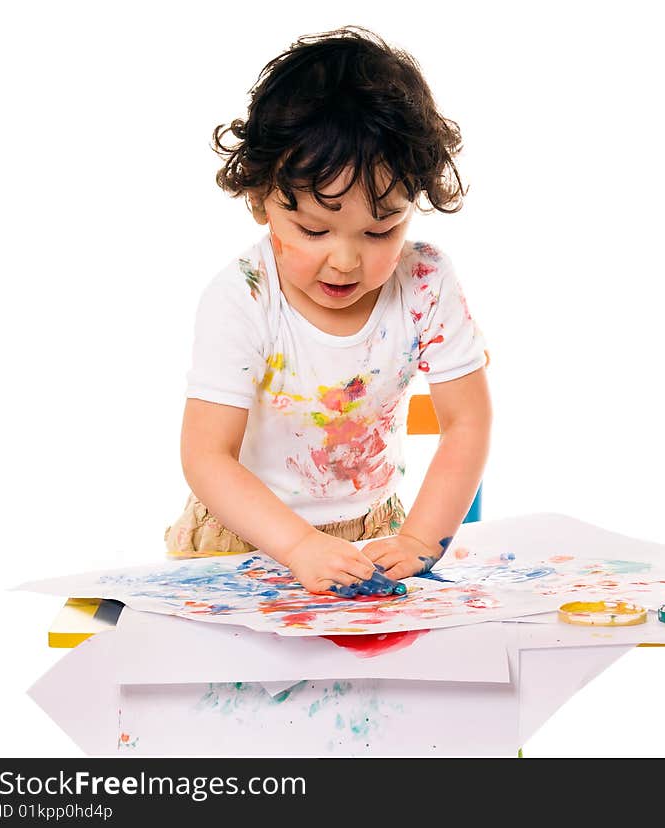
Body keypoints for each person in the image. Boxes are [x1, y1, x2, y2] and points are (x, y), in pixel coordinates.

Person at [164, 25, 491, 597]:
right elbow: (206, 455)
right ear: (261, 198)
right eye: (314, 229)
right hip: (247, 539)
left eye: (380, 229)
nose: (345, 260)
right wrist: (296, 547)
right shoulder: (243, 296)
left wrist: (419, 540)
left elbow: (467, 421)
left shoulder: (425, 282)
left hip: (376, 535)